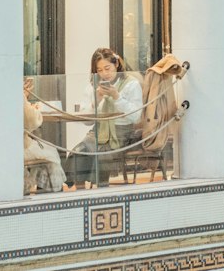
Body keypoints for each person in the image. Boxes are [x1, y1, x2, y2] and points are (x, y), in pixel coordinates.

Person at [66, 48, 144, 186]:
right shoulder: (93, 87)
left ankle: (102, 191)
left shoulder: (131, 84)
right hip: (98, 131)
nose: (104, 74)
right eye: (99, 70)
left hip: (122, 133)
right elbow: (86, 122)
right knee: (77, 153)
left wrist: (117, 97)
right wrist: (96, 100)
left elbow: (136, 117)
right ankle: (79, 194)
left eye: (107, 68)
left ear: (117, 65)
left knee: (102, 157)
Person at [23, 78, 65, 194]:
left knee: (48, 149)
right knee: (51, 152)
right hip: (21, 148)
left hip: (6, 148)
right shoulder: (15, 93)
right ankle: (52, 194)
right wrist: (33, 109)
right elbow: (31, 121)